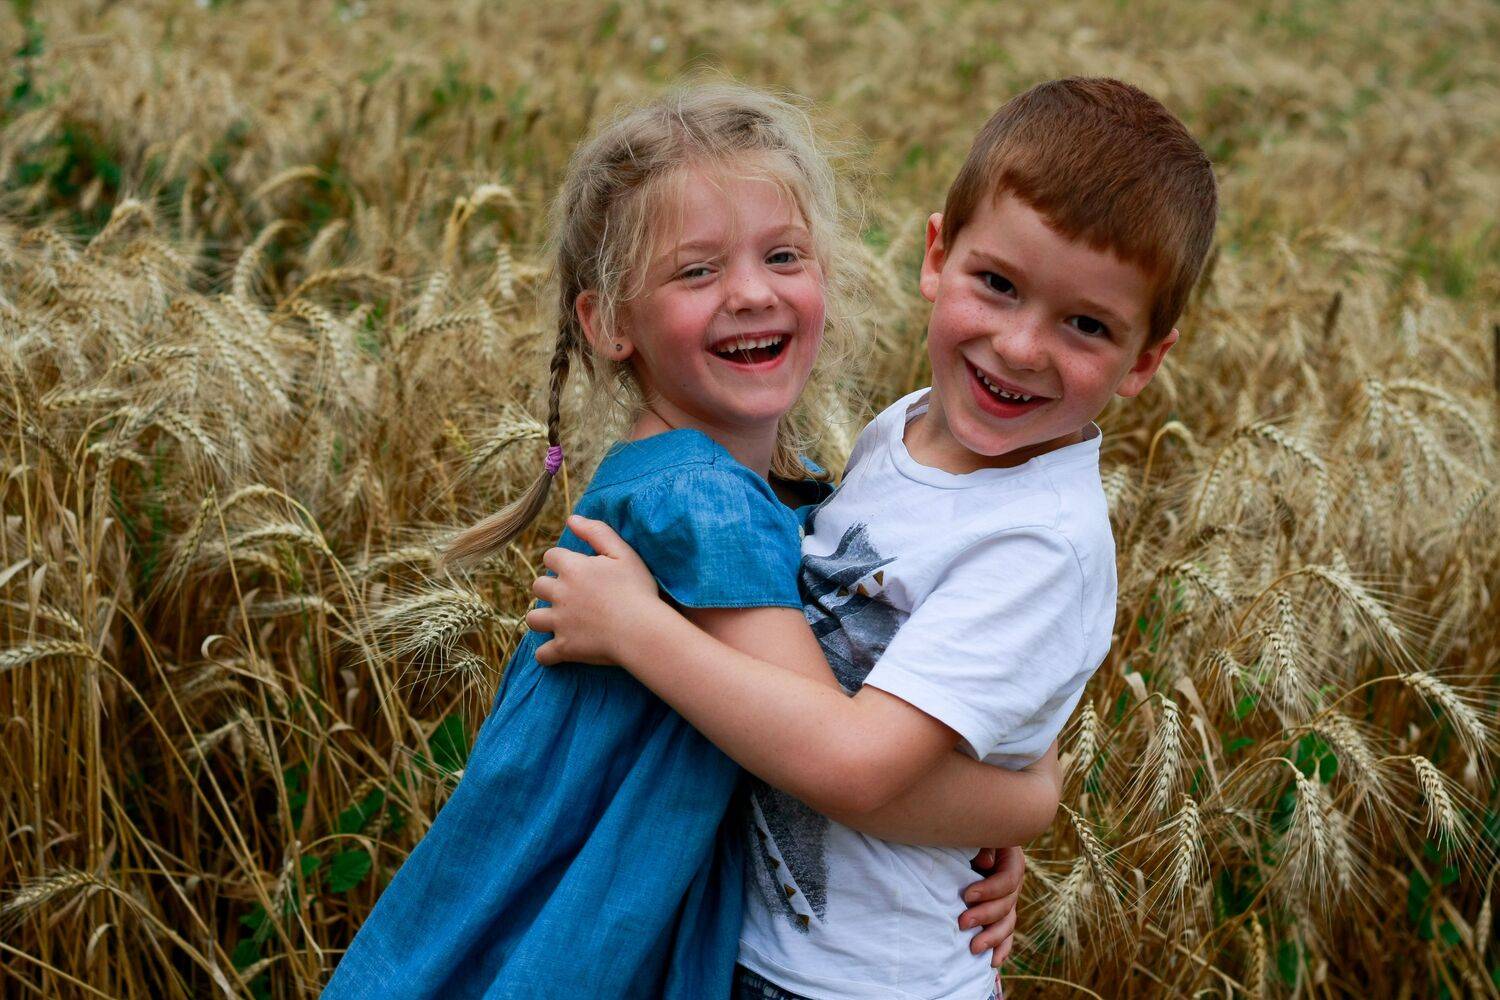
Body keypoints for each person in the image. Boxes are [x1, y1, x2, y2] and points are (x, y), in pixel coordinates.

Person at [323, 83, 1058, 1000]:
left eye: (782, 255)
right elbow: (840, 759)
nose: (751, 292)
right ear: (609, 323)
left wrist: (956, 842)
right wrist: (1026, 802)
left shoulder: (739, 485)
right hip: (596, 920)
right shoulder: (701, 508)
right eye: (696, 271)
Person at [527, 77, 1220, 1000]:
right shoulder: (906, 428)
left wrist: (637, 631)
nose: (1020, 348)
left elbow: (854, 765)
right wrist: (1013, 795)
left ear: (1145, 361)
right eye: (998, 285)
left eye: (1086, 325)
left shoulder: (1037, 546)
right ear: (937, 256)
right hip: (758, 944)